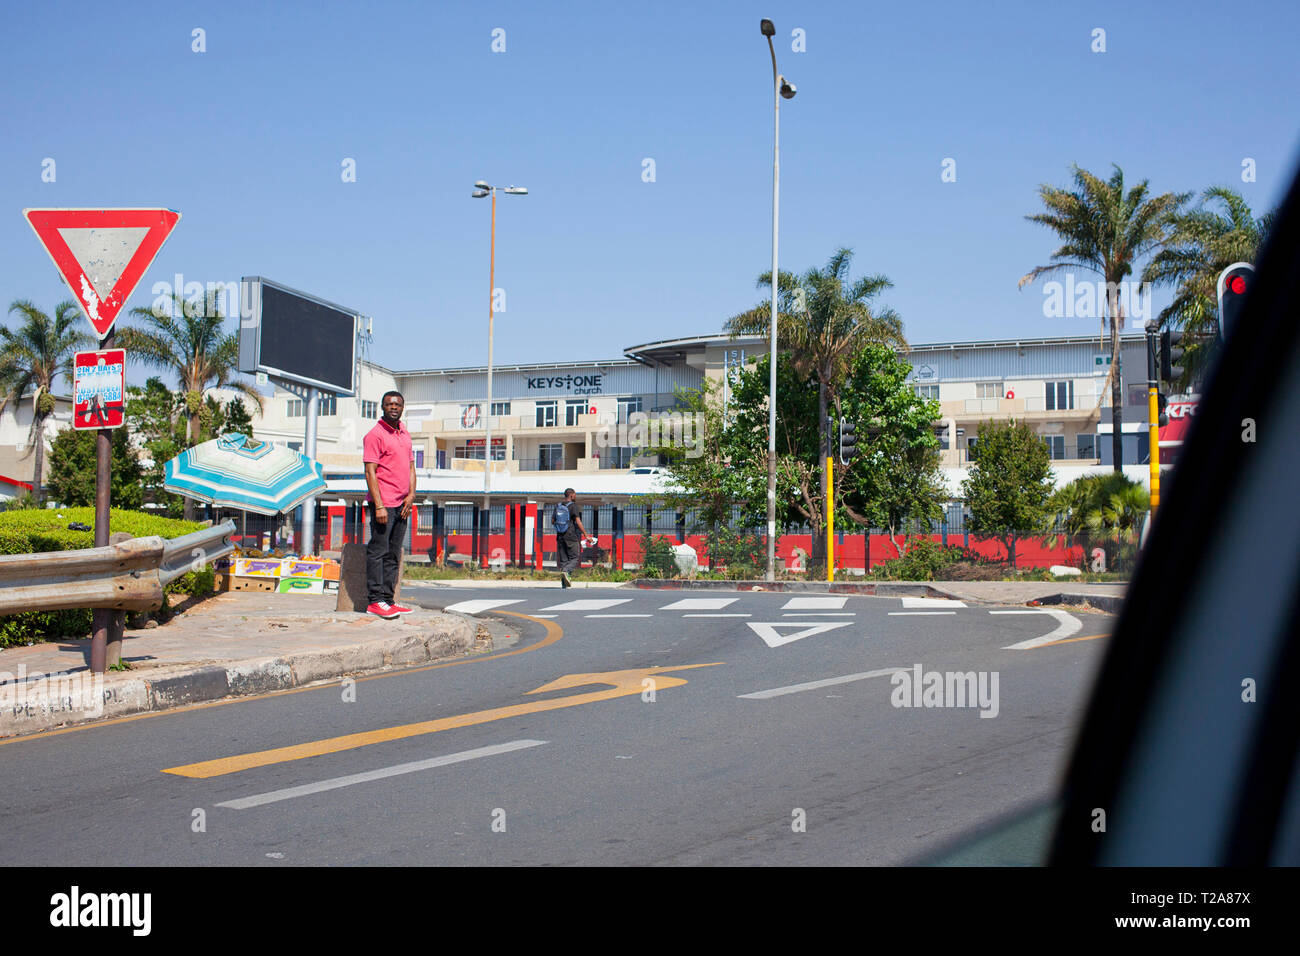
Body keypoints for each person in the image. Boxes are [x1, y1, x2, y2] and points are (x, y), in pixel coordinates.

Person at [363, 390, 416, 618]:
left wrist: (412, 495)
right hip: (384, 506)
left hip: (403, 504)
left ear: (402, 407)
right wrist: (379, 505)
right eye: (389, 404)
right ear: (382, 407)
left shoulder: (405, 433)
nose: (393, 407)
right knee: (378, 552)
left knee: (394, 554)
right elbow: (370, 471)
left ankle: (388, 599)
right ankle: (374, 601)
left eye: (397, 404)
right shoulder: (375, 435)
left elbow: (411, 468)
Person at [553, 487, 589, 588]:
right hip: (571, 536)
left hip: (560, 536)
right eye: (575, 495)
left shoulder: (558, 506)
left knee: (564, 560)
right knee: (575, 557)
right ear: (572, 495)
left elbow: (552, 521)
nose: (575, 496)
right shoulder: (573, 506)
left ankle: (564, 583)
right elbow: (578, 522)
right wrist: (586, 535)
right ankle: (566, 572)